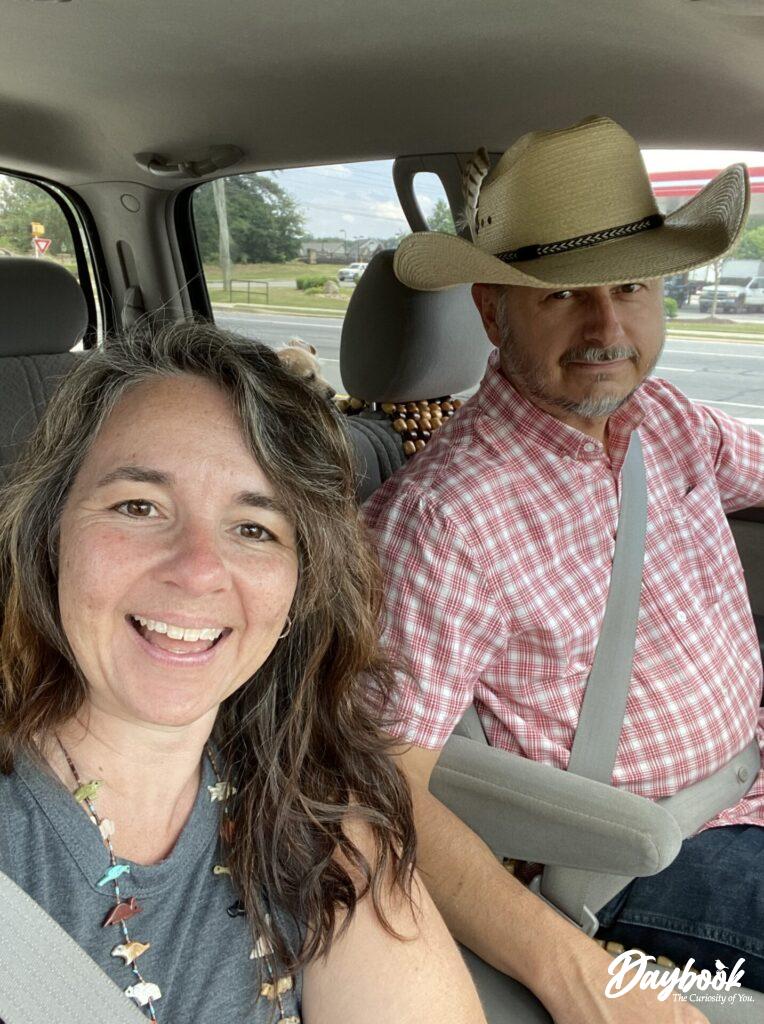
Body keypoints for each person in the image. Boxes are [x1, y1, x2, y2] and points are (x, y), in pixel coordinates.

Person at [364, 115, 764, 1022]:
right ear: (490, 311)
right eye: (561, 296)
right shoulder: (444, 517)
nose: (606, 325)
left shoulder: (664, 419)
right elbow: (382, 787)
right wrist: (575, 971)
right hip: (634, 862)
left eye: (631, 285)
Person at [0, 322, 486, 1024]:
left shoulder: (313, 808)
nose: (198, 570)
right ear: (49, 537)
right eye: (139, 506)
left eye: (255, 528)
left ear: (298, 587)